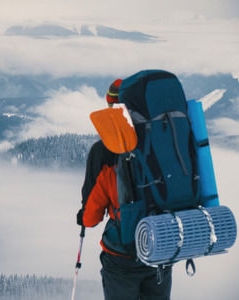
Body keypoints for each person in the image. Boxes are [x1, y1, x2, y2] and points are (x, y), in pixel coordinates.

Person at [76, 79, 172, 300]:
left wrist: (83, 217)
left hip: (123, 253)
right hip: (162, 244)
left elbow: (91, 217)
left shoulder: (104, 151)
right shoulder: (162, 141)